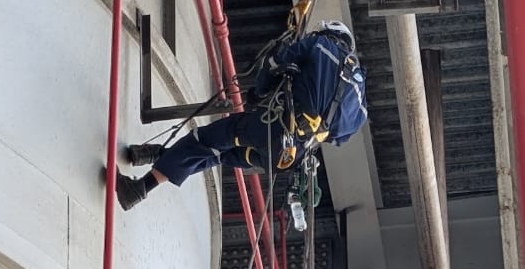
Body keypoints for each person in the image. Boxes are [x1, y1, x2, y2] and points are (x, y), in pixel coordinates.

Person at [115, 19, 367, 210]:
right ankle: (155, 156)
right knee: (217, 154)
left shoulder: (321, 45)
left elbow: (275, 63)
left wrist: (258, 92)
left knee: (202, 141)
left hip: (273, 129)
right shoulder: (358, 97)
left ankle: (138, 189)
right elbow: (339, 137)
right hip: (287, 156)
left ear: (330, 34)